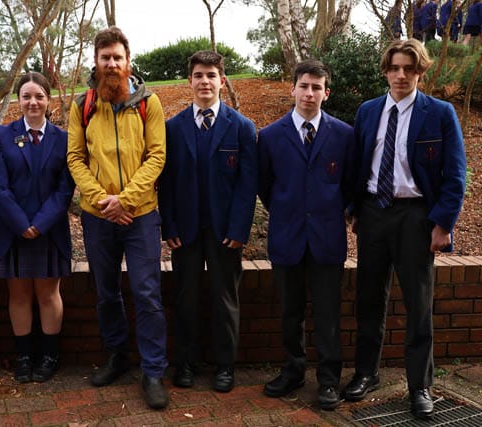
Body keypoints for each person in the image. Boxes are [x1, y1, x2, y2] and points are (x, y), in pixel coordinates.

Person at [343, 39, 466, 420]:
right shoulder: (368, 111)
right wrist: (354, 210)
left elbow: (455, 173)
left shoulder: (439, 113)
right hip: (374, 213)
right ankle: (366, 373)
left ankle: (420, 386)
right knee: (369, 298)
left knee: (418, 304)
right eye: (395, 68)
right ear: (385, 70)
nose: (401, 75)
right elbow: (357, 163)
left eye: (409, 69)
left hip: (416, 217)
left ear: (419, 72)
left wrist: (443, 223)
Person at [66, 26, 169, 410]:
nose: (112, 64)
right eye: (105, 57)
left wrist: (125, 200)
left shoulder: (149, 103)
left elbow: (156, 156)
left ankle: (153, 370)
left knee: (147, 293)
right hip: (98, 218)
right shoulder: (83, 105)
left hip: (141, 216)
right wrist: (102, 201)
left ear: (128, 61)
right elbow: (75, 158)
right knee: (106, 292)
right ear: (96, 61)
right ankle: (117, 356)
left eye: (117, 58)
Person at [257, 59, 355, 411]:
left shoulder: (344, 135)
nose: (309, 93)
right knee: (290, 312)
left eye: (317, 87)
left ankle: (328, 380)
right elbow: (265, 186)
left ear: (326, 93)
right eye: (304, 86)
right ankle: (293, 371)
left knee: (328, 314)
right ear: (293, 89)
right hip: (287, 237)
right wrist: (288, 212)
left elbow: (350, 184)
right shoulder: (269, 136)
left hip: (327, 239)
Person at [158, 51, 257, 393]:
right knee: (185, 299)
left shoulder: (241, 127)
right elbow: (166, 183)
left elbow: (247, 185)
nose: (205, 81)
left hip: (225, 232)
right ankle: (185, 364)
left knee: (224, 300)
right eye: (198, 75)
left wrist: (239, 228)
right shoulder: (172, 128)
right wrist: (169, 226)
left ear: (222, 81)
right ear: (189, 81)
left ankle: (225, 366)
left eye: (211, 75)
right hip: (185, 231)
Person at [0, 72, 74, 384]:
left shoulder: (64, 139)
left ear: (48, 100)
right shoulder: (2, 136)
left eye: (39, 96)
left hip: (50, 230)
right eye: (26, 96)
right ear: (19, 100)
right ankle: (24, 356)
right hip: (12, 230)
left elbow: (65, 189)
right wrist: (22, 224)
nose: (33, 102)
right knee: (19, 295)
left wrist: (39, 223)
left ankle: (50, 355)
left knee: (49, 294)